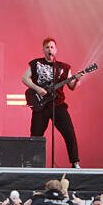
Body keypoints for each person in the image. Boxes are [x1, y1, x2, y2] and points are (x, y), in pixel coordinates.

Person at [22, 37, 82, 168]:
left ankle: (75, 162)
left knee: (69, 133)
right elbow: (25, 78)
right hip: (41, 105)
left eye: (52, 47)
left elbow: (72, 87)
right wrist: (38, 89)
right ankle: (31, 163)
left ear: (56, 50)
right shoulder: (36, 63)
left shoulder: (64, 68)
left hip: (58, 105)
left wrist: (76, 79)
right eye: (47, 47)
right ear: (43, 50)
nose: (50, 49)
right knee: (36, 135)